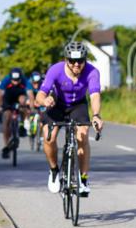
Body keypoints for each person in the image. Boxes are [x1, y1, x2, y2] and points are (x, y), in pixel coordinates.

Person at [37, 42, 103, 196]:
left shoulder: (92, 72)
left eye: (80, 61)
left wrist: (96, 115)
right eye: (72, 61)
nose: (76, 64)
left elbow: (94, 95)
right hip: (57, 104)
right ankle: (54, 171)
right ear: (66, 59)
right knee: (49, 137)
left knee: (82, 135)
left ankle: (84, 179)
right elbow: (41, 94)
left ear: (85, 60)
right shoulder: (55, 70)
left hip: (78, 105)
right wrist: (45, 100)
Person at [0, 67, 32, 158]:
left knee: (23, 102)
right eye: (14, 80)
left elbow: (30, 95)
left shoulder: (25, 80)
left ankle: (22, 124)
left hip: (19, 97)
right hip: (8, 99)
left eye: (18, 80)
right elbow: (0, 95)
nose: (16, 82)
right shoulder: (6, 80)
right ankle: (6, 146)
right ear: (10, 78)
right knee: (6, 118)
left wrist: (31, 108)